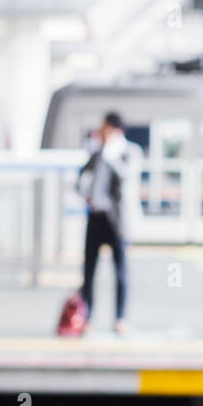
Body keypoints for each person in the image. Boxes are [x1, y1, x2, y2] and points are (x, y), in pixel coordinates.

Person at [76, 112, 142, 334]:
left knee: (120, 272)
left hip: (117, 221)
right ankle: (87, 317)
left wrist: (111, 156)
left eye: (104, 128)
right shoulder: (96, 153)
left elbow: (126, 178)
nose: (101, 132)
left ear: (114, 130)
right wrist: (84, 193)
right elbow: (81, 177)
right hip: (96, 217)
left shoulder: (130, 152)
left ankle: (120, 318)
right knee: (89, 271)